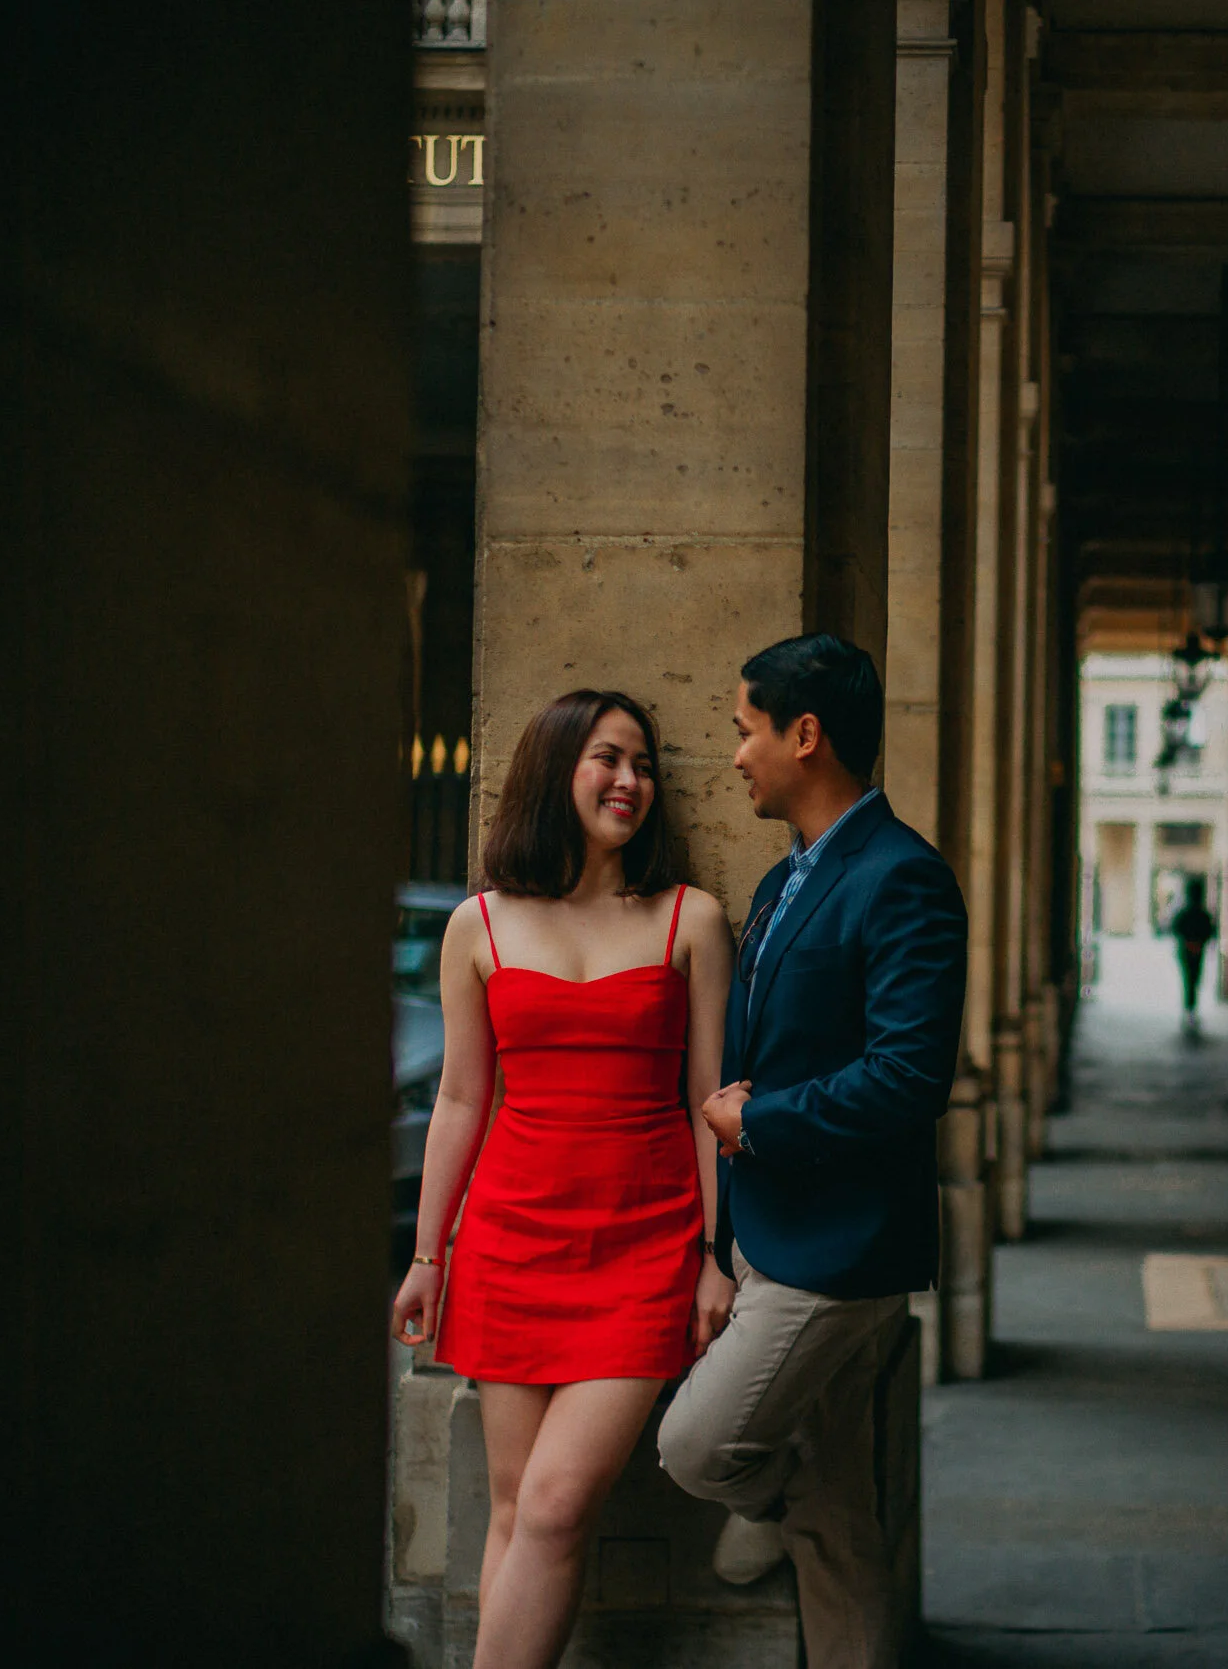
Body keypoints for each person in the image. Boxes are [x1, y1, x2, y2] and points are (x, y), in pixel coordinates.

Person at [390, 691, 737, 1669]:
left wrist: (716, 1255)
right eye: (606, 757)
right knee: (514, 1507)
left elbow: (713, 1101)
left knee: (552, 1504)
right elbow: (461, 1100)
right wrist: (428, 1252)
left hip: (644, 1248)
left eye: (643, 763)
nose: (631, 779)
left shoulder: (691, 919)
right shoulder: (479, 926)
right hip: (508, 1242)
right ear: (554, 770)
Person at [657, 633, 968, 1669]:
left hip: (836, 1254)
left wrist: (763, 1120)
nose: (733, 756)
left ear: (804, 732)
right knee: (839, 1517)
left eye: (744, 731)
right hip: (774, 1232)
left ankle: (772, 1502)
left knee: (696, 1444)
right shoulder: (788, 874)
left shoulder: (903, 877)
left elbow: (910, 1076)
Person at [1169, 876, 1218, 1032]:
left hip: (1186, 951)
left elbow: (1175, 928)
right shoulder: (1203, 913)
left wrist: (1187, 941)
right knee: (1194, 980)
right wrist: (1199, 942)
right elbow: (1210, 931)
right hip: (1196, 951)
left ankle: (1189, 1008)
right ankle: (1191, 1008)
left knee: (1189, 980)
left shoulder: (1185, 912)